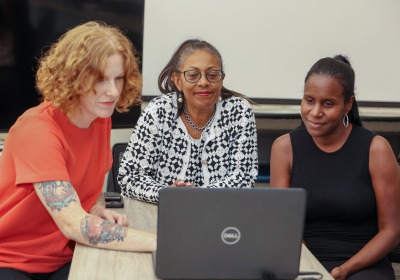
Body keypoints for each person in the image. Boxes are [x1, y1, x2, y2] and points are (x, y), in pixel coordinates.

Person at [0, 21, 156, 280]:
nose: (113, 91)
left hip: (64, 255)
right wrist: (157, 241)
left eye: (118, 78)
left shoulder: (99, 117)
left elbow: (84, 184)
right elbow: (74, 224)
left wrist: (94, 206)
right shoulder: (38, 129)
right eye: (100, 80)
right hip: (11, 258)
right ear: (74, 76)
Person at [270, 55, 400, 280]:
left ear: (347, 105)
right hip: (303, 261)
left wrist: (345, 270)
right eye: (309, 100)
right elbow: (284, 227)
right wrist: (307, 269)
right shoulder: (284, 148)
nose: (315, 112)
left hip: (363, 265)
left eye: (328, 103)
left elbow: (392, 231)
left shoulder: (376, 149)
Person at [118, 39, 258, 204]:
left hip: (220, 218)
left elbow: (244, 178)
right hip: (162, 218)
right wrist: (166, 193)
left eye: (213, 75)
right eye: (193, 75)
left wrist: (194, 196)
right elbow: (130, 177)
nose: (204, 82)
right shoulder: (158, 111)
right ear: (177, 81)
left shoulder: (238, 112)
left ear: (222, 80)